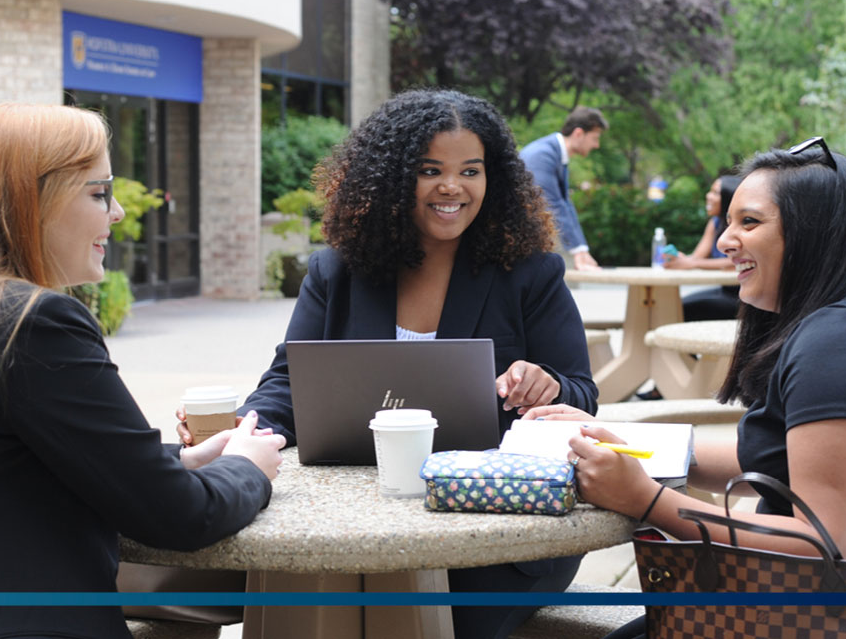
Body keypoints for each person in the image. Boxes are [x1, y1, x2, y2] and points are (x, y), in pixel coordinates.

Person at [0, 103, 287, 639]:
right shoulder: (30, 322)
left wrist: (179, 458)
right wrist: (248, 467)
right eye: (98, 192)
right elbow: (180, 517)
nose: (118, 214)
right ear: (29, 202)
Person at [527, 138, 846, 637]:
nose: (726, 241)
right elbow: (775, 455)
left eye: (749, 223)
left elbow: (820, 545)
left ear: (815, 233)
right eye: (729, 222)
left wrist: (645, 498)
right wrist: (618, 436)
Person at [178, 89, 599, 639]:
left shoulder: (529, 273)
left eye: (470, 170)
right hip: (348, 515)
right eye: (430, 170)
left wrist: (547, 387)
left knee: (437, 619)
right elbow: (289, 378)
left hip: (492, 531)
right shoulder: (338, 271)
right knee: (305, 609)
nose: (452, 186)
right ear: (394, 178)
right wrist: (245, 428)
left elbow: (582, 394)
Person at [521, 107, 607, 271]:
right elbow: (552, 203)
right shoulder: (542, 155)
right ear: (578, 134)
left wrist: (582, 249)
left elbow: (565, 204)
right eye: (595, 138)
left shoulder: (555, 154)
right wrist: (577, 251)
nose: (597, 145)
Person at [665, 175, 743, 322]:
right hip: (724, 289)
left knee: (680, 310)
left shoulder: (742, 225)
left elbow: (734, 262)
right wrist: (680, 259)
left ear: (729, 197)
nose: (708, 196)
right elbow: (696, 258)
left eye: (715, 192)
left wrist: (691, 263)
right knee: (673, 307)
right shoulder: (714, 223)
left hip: (741, 295)